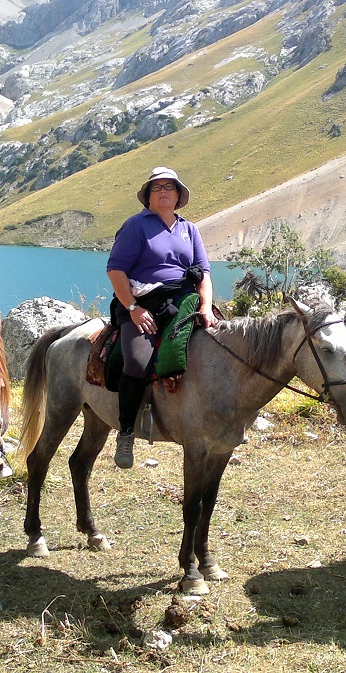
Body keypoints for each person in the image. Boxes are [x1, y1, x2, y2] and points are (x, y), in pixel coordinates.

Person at [106, 166, 218, 469]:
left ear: (179, 195)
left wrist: (206, 307)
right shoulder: (136, 226)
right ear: (148, 196)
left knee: (215, 348)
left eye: (170, 187)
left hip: (182, 301)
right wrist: (133, 308)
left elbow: (203, 273)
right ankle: (127, 432)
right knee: (138, 360)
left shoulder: (189, 229)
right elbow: (116, 271)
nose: (164, 191)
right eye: (157, 187)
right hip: (142, 304)